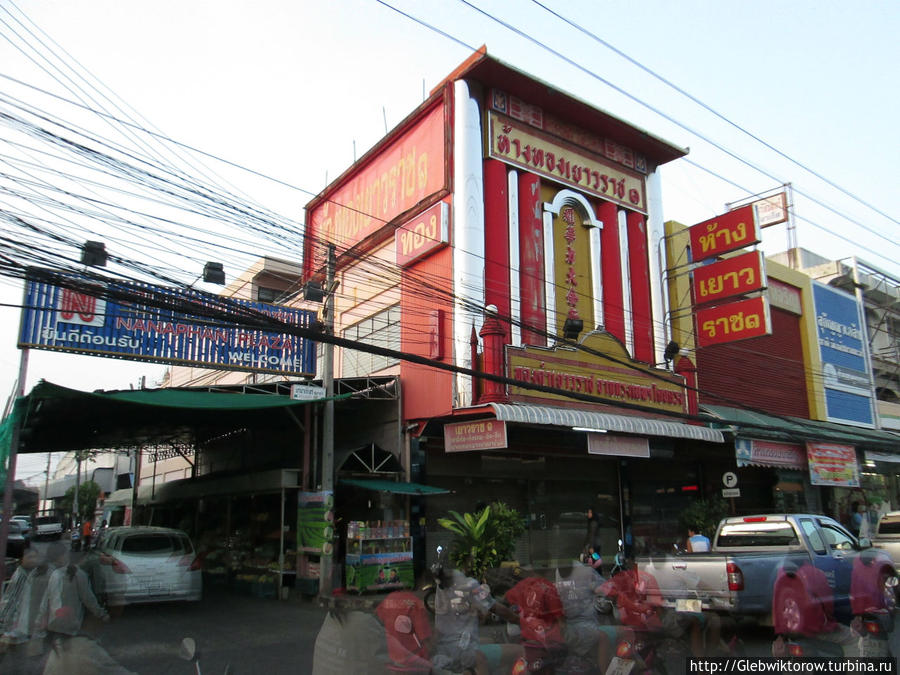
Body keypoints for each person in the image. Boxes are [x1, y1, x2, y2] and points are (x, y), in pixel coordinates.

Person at [431, 566, 520, 675]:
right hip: (463, 652)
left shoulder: (441, 588)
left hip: (446, 649)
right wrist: (520, 621)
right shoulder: (469, 584)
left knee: (491, 640)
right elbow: (496, 608)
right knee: (519, 651)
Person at [505, 568, 566, 674]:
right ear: (548, 567)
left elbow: (507, 599)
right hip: (546, 642)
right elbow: (561, 622)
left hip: (526, 639)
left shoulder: (524, 584)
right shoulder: (549, 588)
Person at [376, 590, 432, 673]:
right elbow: (425, 638)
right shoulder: (415, 602)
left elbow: (378, 623)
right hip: (414, 665)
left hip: (393, 663)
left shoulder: (387, 600)